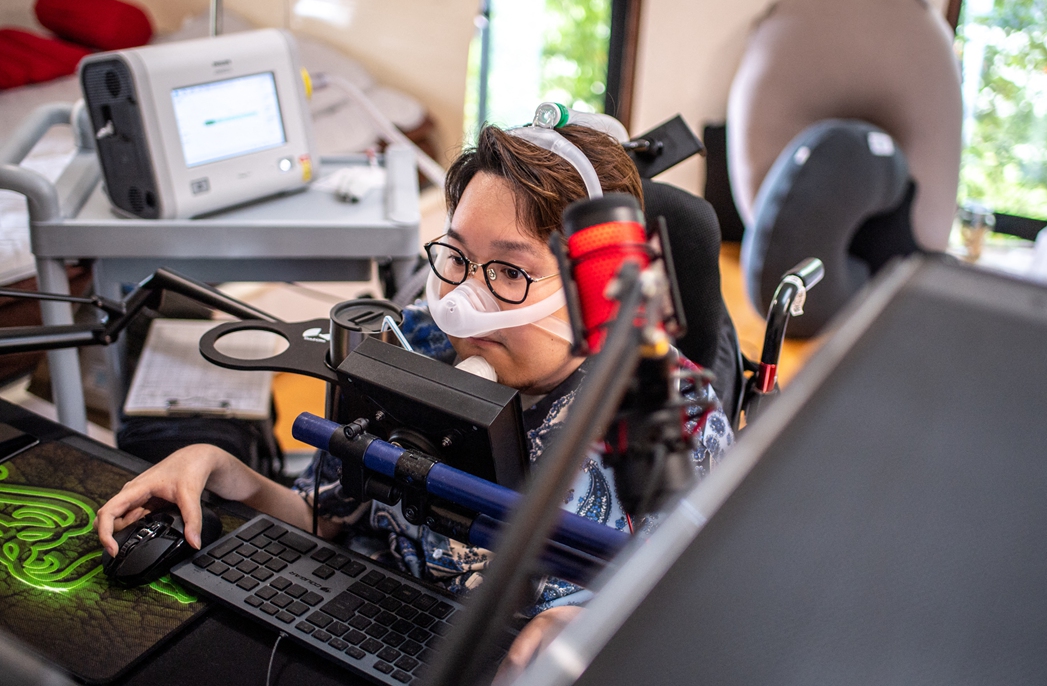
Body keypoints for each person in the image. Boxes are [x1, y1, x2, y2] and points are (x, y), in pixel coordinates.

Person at [95, 111, 734, 681]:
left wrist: (597, 632)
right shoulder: (415, 341)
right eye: (455, 256)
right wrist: (224, 472)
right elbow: (326, 518)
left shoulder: (673, 414)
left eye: (510, 272)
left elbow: (703, 626)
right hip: (361, 623)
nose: (461, 302)